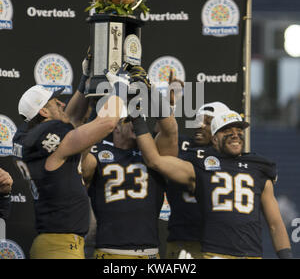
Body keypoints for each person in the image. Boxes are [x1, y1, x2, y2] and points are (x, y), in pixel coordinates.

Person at [133, 109, 293, 259]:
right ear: (214, 139)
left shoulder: (258, 168)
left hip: (252, 254)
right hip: (215, 254)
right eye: (228, 131)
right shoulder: (201, 166)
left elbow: (275, 224)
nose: (235, 135)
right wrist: (137, 117)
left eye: (239, 131)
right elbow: (154, 161)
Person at [12, 61, 129, 259]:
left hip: (55, 244)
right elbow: (107, 123)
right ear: (43, 112)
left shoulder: (33, 137)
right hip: (59, 249)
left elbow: (72, 118)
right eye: (55, 102)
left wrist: (85, 80)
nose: (62, 103)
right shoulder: (52, 141)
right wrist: (120, 87)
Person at [81, 65, 178, 259]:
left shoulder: (155, 153)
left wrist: (148, 90)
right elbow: (81, 166)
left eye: (139, 117)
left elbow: (170, 130)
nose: (136, 121)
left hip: (150, 253)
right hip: (109, 253)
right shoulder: (98, 152)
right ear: (115, 126)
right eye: (129, 119)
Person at [165, 101, 229, 259]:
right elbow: (161, 137)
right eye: (198, 120)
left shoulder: (229, 156)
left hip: (216, 241)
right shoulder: (181, 144)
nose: (200, 125)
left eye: (208, 122)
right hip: (182, 237)